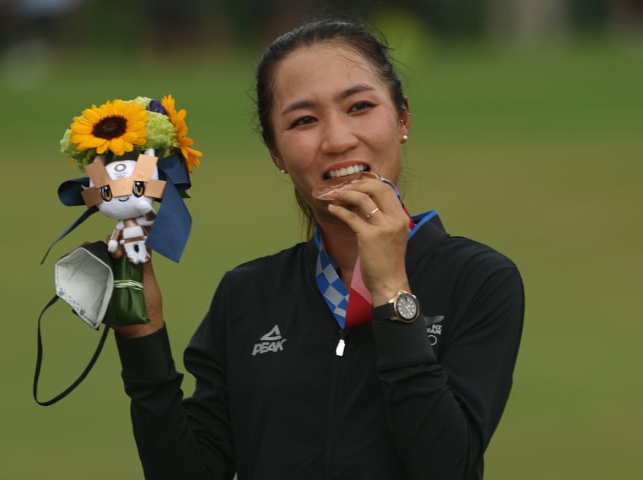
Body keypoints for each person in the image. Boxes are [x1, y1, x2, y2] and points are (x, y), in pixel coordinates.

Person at [112, 17, 525, 480]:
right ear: (275, 153)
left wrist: (391, 290)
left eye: (360, 106)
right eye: (304, 120)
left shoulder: (479, 279)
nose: (338, 140)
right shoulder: (247, 295)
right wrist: (142, 335)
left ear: (403, 118)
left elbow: (444, 465)